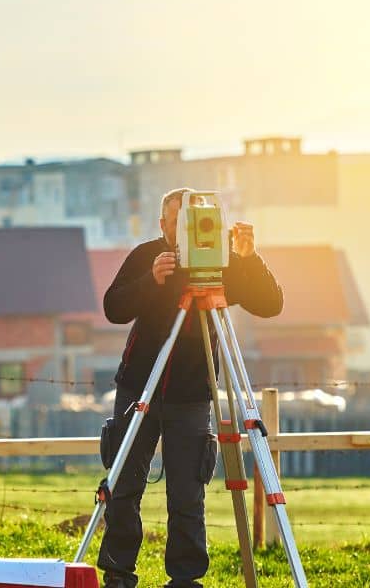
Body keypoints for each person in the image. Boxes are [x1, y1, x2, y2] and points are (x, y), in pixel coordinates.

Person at [98, 188, 283, 588]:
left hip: (192, 394)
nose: (184, 230)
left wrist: (250, 259)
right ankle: (118, 573)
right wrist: (151, 280)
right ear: (163, 224)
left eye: (193, 221)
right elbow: (113, 307)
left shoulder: (219, 261)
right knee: (125, 485)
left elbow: (270, 304)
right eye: (176, 221)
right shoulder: (146, 256)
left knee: (187, 495)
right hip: (138, 388)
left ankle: (185, 579)